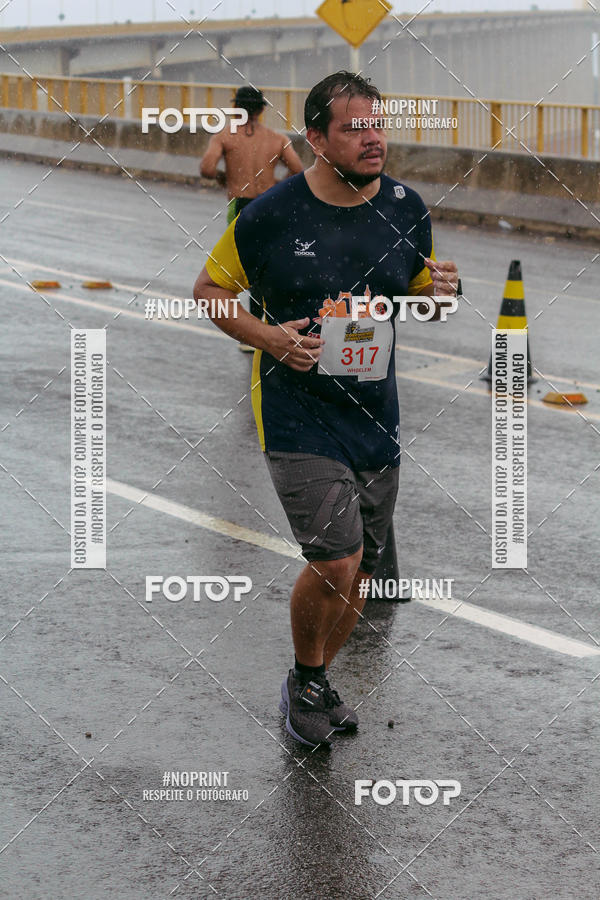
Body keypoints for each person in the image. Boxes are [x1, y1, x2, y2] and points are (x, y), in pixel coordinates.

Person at [193, 71, 458, 750]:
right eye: (354, 128)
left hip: (374, 413)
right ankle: (308, 683)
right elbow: (210, 290)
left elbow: (420, 293)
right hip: (294, 411)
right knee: (337, 558)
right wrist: (270, 338)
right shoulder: (270, 216)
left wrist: (442, 291)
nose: (374, 140)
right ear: (314, 138)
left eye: (378, 125)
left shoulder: (405, 207)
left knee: (362, 572)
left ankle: (311, 679)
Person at [200, 85, 304, 228]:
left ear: (236, 108)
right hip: (268, 201)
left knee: (239, 248)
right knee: (266, 247)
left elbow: (207, 169)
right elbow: (298, 171)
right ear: (261, 110)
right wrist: (277, 186)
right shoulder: (278, 139)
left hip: (240, 203)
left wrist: (223, 177)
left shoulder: (223, 137)